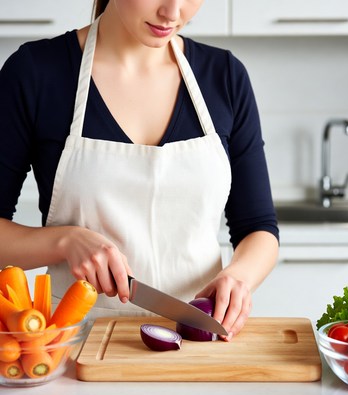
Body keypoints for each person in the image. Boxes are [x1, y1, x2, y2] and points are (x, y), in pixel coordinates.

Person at [0, 0, 279, 341]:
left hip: (199, 343)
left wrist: (239, 277)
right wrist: (63, 241)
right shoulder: (35, 72)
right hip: (75, 347)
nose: (173, 12)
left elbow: (258, 228)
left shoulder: (225, 77)